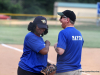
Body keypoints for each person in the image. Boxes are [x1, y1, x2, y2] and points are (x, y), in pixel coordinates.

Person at [54, 10, 84, 75]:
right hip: (77, 70)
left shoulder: (63, 32)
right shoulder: (79, 33)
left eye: (61, 17)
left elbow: (60, 51)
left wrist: (56, 46)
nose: (59, 20)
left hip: (64, 70)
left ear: (67, 20)